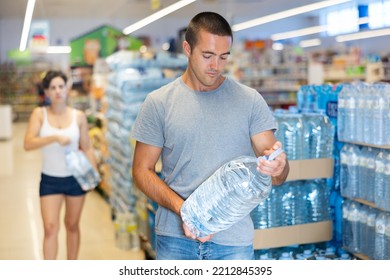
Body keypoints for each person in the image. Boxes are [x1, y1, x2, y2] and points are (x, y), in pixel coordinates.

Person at [131, 11, 289, 260]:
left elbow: (277, 172)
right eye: (207, 56)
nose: (216, 66)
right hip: (175, 240)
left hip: (232, 242)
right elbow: (141, 170)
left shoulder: (249, 101)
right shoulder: (159, 103)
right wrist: (186, 212)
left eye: (223, 57)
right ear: (187, 48)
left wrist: (278, 167)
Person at [24, 70, 97, 260]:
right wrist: (54, 137)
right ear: (47, 92)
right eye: (52, 87)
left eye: (61, 86)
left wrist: (94, 173)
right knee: (50, 228)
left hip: (75, 178)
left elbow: (87, 147)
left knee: (72, 225)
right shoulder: (39, 114)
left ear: (67, 89)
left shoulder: (78, 116)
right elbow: (28, 143)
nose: (57, 91)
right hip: (50, 180)